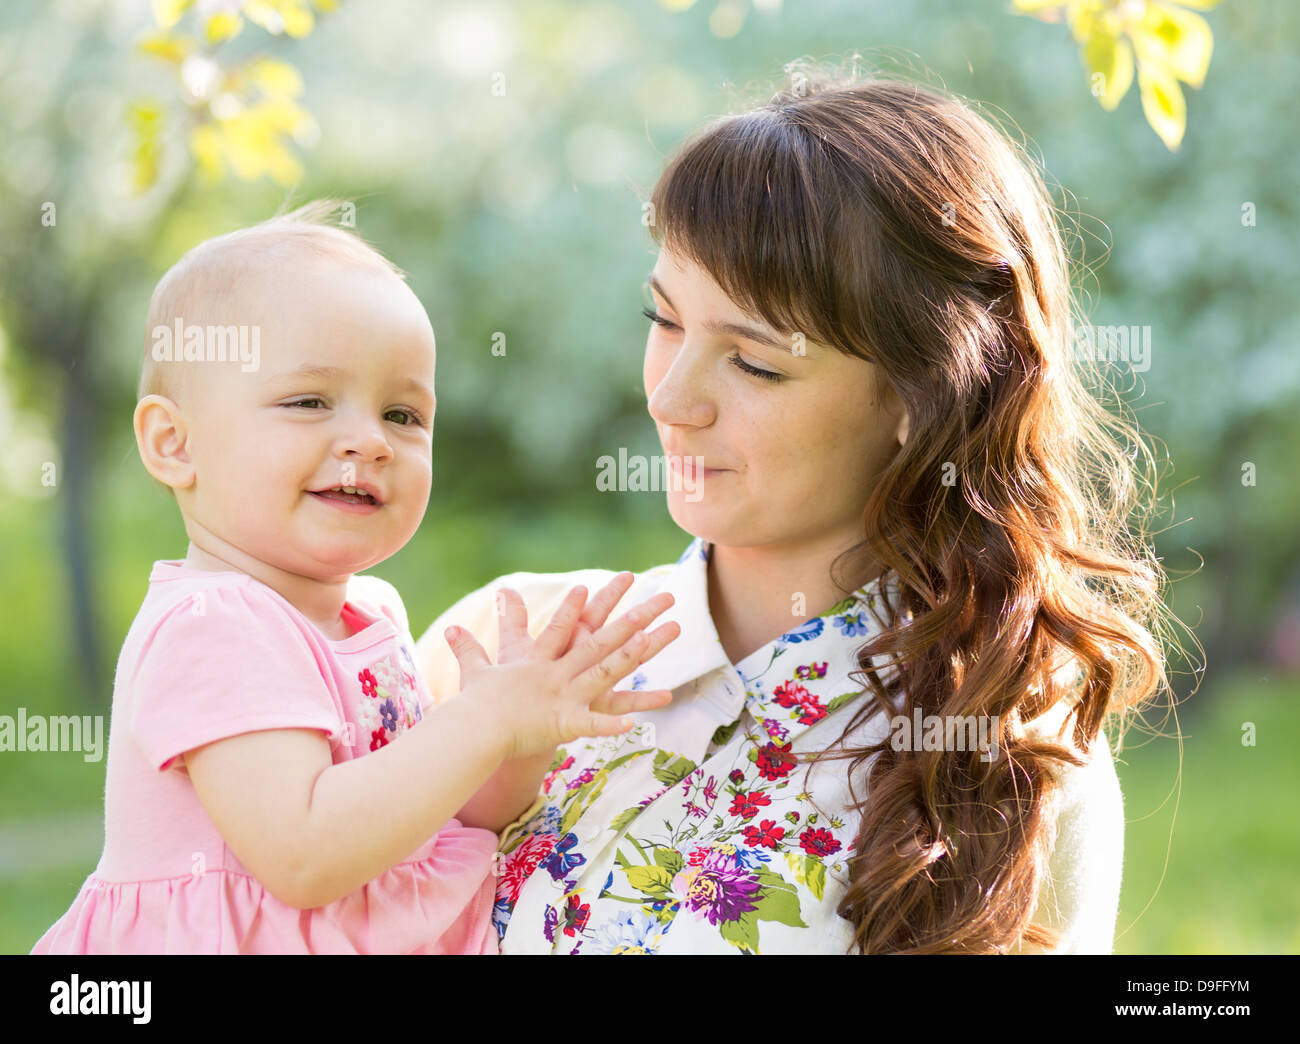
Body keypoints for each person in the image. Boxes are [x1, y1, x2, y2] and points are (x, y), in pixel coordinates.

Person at [415, 66, 1181, 954]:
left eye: (756, 363)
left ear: (915, 399)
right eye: (663, 320)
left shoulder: (1006, 762)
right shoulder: (511, 645)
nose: (671, 400)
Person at [30, 202, 679, 955]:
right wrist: (481, 722)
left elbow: (440, 820)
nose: (370, 441)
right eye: (308, 402)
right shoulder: (213, 623)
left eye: (403, 415)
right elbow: (305, 855)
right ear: (174, 444)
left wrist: (524, 735)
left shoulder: (371, 613)